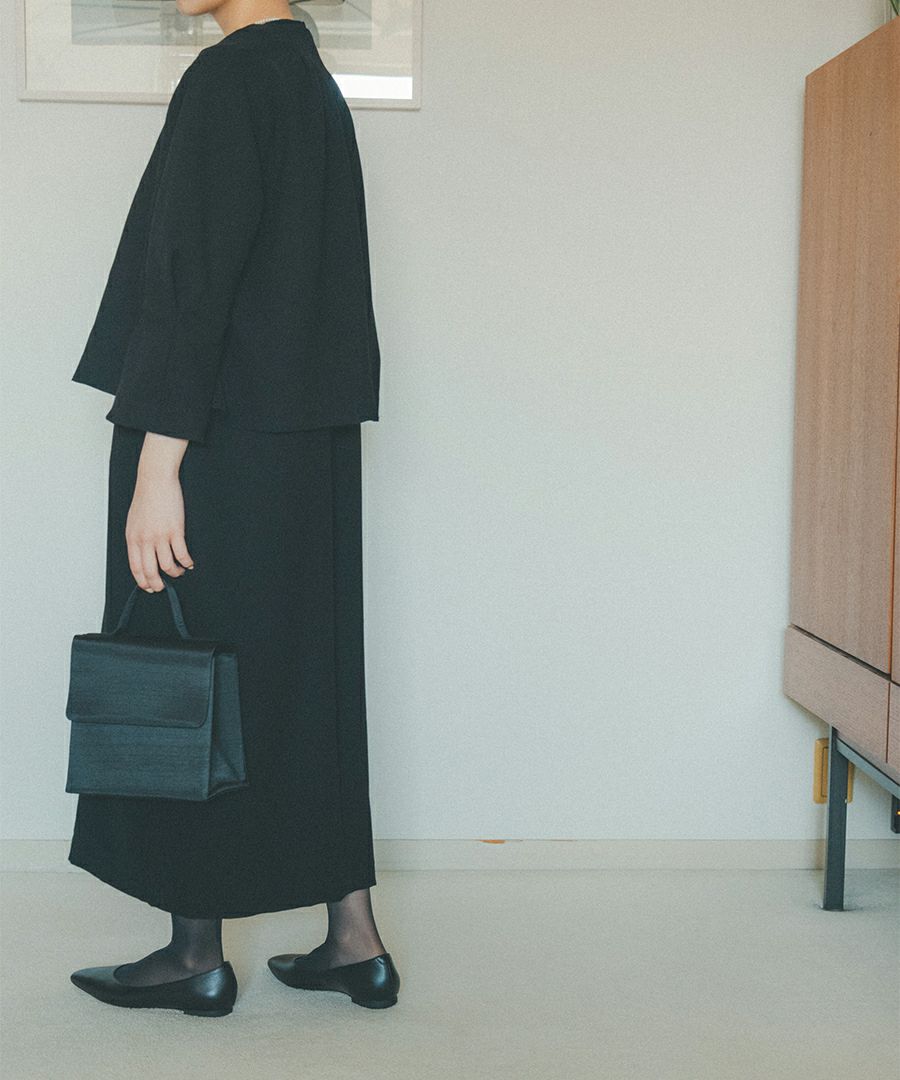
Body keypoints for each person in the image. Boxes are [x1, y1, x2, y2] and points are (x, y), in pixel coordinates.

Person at [66, 0, 400, 1016]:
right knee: (306, 677)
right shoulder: (311, 82)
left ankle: (195, 955)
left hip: (217, 438)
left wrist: (158, 464)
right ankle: (356, 941)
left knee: (190, 671)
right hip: (306, 446)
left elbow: (192, 277)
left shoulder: (228, 76)